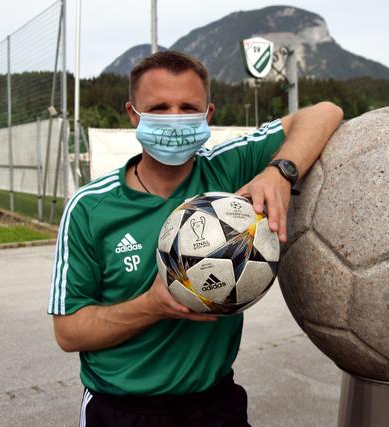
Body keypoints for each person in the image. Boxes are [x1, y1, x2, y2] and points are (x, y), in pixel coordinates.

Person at [47, 51, 343, 426]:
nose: (175, 119)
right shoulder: (90, 208)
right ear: (133, 114)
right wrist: (153, 305)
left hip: (216, 403)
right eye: (159, 107)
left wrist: (279, 172)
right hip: (122, 409)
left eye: (188, 106)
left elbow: (325, 112)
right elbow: (69, 331)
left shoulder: (227, 166)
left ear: (209, 114)